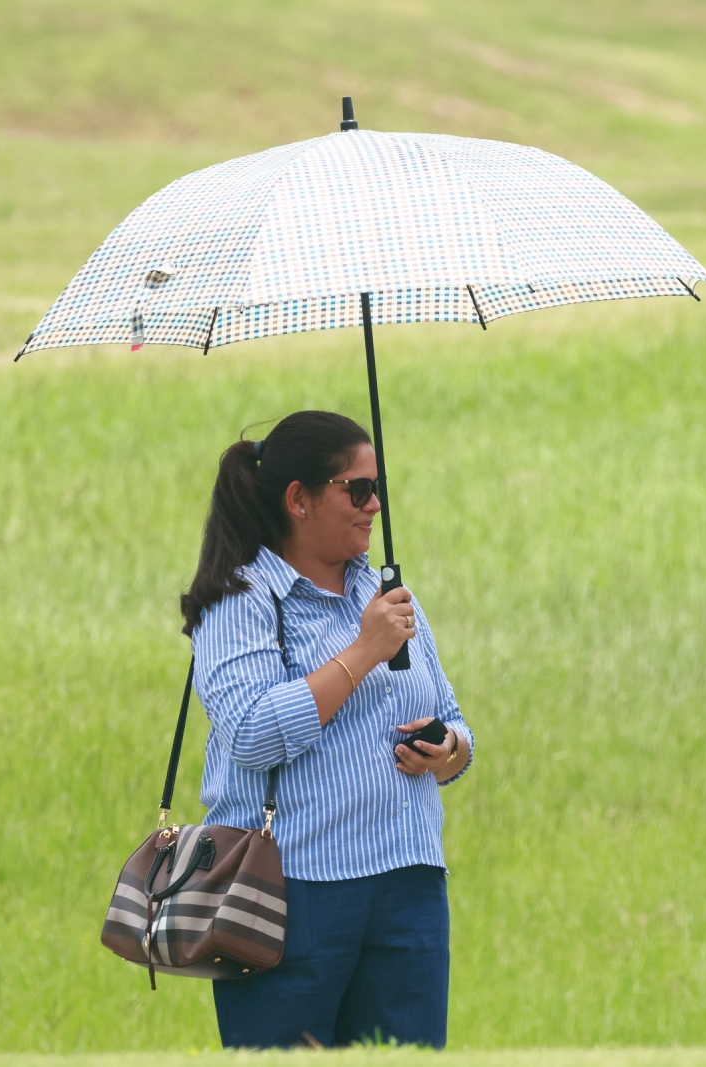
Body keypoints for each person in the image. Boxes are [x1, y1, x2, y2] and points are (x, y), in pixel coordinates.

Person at [180, 410, 474, 1049]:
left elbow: (453, 718)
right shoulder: (243, 601)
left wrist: (447, 749)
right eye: (358, 489)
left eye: (380, 488)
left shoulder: (387, 594)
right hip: (292, 894)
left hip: (408, 883)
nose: (375, 506)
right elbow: (253, 733)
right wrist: (363, 652)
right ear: (299, 500)